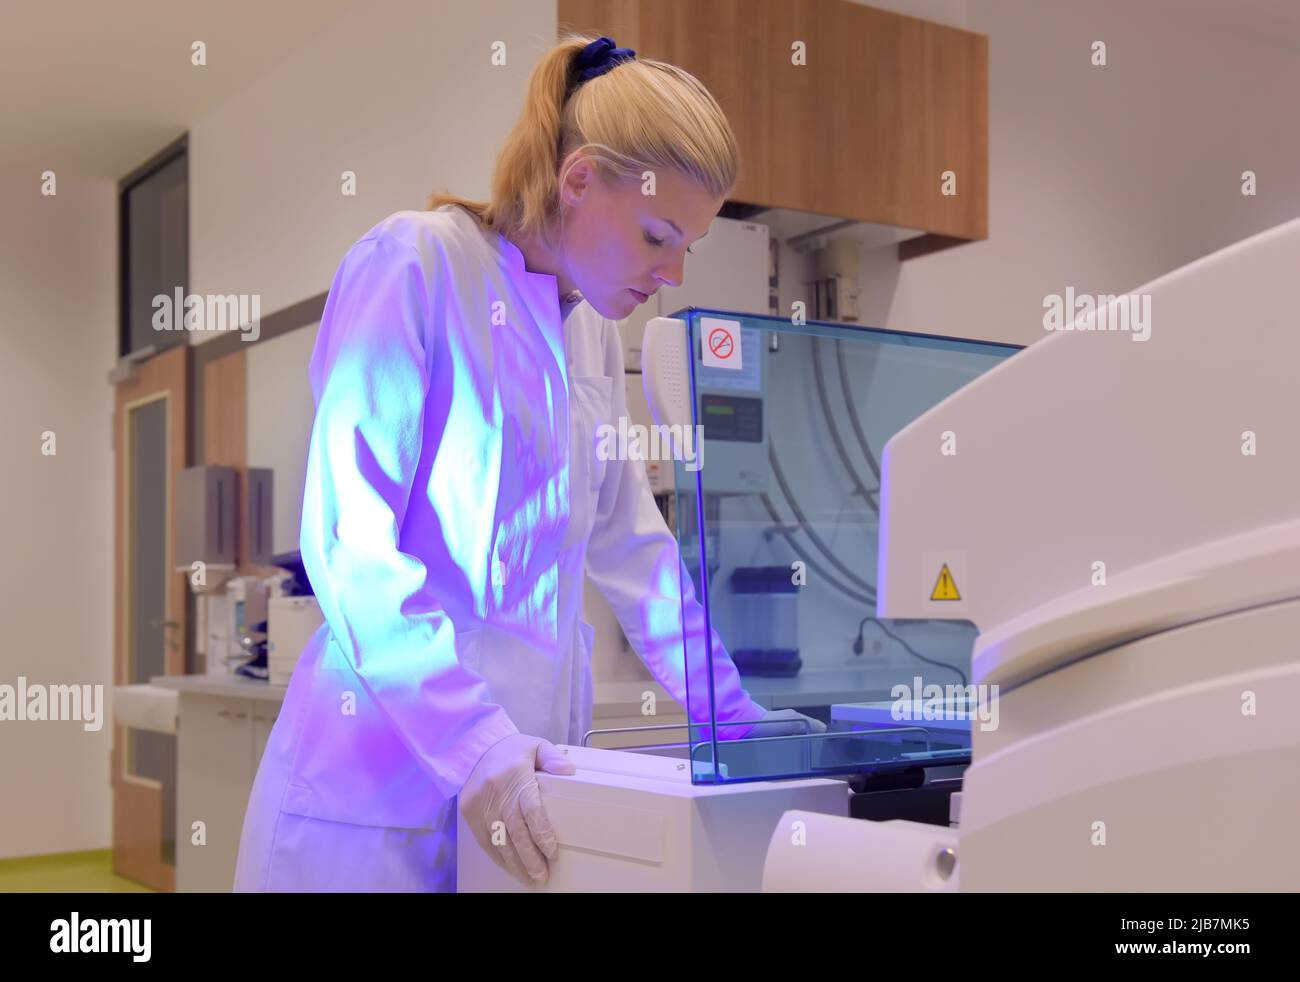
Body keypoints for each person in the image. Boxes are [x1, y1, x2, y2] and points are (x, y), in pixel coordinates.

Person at [233, 34, 823, 894]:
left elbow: (635, 548)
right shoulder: (415, 265)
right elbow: (349, 540)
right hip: (371, 804)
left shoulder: (588, 329)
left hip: (524, 801)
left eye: (688, 245)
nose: (673, 272)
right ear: (577, 179)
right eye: (659, 235)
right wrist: (475, 744)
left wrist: (736, 718)